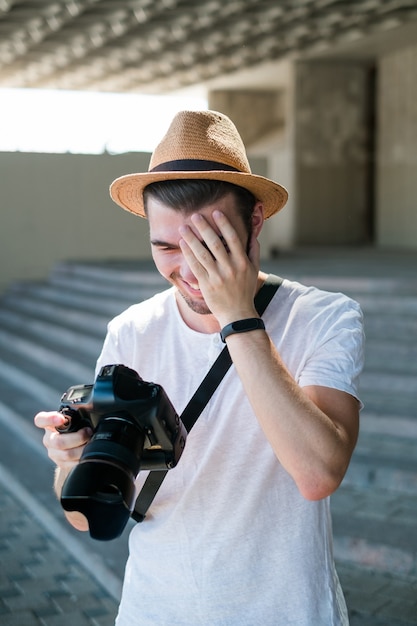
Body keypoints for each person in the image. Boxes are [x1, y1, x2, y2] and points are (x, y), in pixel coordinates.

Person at [34, 109, 364, 625]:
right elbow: (83, 516)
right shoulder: (132, 331)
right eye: (165, 248)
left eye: (209, 247)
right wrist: (68, 460)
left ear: (254, 223)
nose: (188, 271)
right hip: (154, 610)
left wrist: (239, 317)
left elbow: (319, 473)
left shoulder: (322, 317)